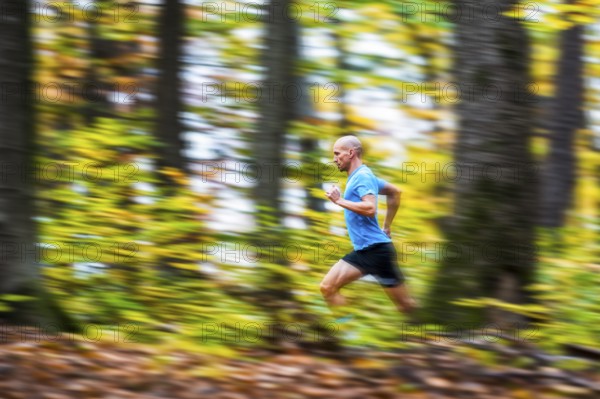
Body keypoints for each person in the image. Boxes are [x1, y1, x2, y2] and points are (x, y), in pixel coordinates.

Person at [320, 135, 414, 315]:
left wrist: (339, 200)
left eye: (337, 154)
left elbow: (370, 208)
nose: (334, 159)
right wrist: (387, 226)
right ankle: (347, 332)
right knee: (327, 287)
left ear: (351, 153)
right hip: (365, 251)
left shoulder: (362, 176)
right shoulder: (362, 176)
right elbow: (395, 192)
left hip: (377, 252)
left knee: (406, 306)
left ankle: (425, 332)